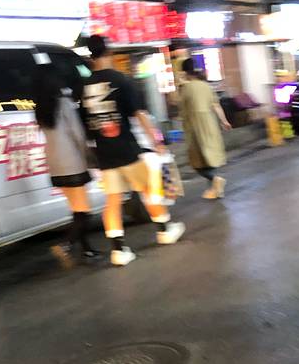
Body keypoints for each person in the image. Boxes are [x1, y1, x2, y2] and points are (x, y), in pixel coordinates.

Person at [81, 35, 185, 266]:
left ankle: (118, 251)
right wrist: (157, 141)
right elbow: (139, 114)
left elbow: (85, 124)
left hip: (103, 153)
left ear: (91, 55)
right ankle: (165, 230)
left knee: (113, 200)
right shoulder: (120, 80)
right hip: (126, 148)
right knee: (148, 189)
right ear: (108, 52)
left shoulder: (84, 87)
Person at [33, 65, 100, 267]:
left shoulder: (40, 108)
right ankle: (66, 245)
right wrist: (89, 155)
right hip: (72, 161)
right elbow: (76, 132)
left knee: (77, 209)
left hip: (54, 164)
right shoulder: (63, 102)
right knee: (84, 211)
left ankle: (87, 250)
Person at [179, 57, 231, 200]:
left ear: (185, 72)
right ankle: (215, 189)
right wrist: (224, 121)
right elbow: (216, 105)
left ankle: (215, 180)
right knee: (209, 159)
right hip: (210, 125)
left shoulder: (186, 88)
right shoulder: (206, 86)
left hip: (195, 127)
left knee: (197, 162)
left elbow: (183, 110)